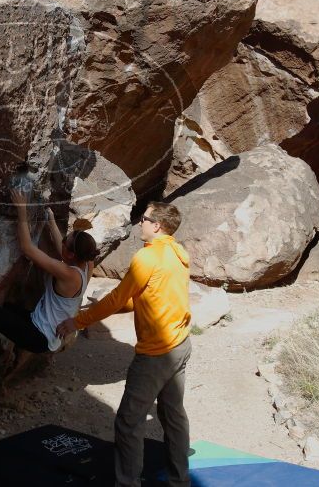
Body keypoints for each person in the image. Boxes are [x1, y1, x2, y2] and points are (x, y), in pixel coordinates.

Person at [57, 202, 192, 487]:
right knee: (173, 415)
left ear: (157, 225)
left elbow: (119, 297)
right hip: (181, 343)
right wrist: (103, 310)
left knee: (129, 422)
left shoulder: (147, 258)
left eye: (144, 219)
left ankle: (128, 483)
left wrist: (78, 321)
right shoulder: (178, 253)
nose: (139, 223)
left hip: (157, 353)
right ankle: (180, 481)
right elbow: (141, 296)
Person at [0, 188, 100, 354]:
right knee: (6, 307)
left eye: (65, 241)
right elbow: (62, 248)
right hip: (42, 326)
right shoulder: (86, 265)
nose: (61, 241)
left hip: (39, 337)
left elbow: (27, 248)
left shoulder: (68, 274)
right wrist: (51, 221)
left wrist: (22, 209)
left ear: (71, 254)